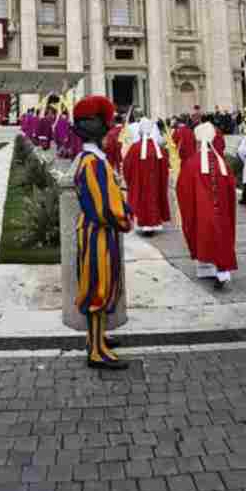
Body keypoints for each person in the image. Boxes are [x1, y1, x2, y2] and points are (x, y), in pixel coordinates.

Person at [71, 95, 132, 370]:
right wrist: (125, 217)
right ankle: (96, 350)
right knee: (98, 287)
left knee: (103, 284)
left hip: (97, 231)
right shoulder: (92, 162)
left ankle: (97, 338)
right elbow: (103, 206)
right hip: (98, 233)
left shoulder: (92, 158)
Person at [176, 121, 237, 288]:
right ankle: (220, 271)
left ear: (197, 141)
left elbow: (182, 189)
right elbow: (231, 187)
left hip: (202, 214)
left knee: (205, 236)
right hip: (222, 212)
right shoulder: (222, 163)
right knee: (221, 236)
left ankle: (210, 268)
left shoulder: (191, 163)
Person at [122, 118, 170, 233]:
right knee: (154, 197)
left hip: (141, 183)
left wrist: (131, 180)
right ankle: (154, 223)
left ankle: (144, 224)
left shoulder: (135, 148)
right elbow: (165, 167)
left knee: (143, 199)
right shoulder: (158, 149)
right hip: (155, 184)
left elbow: (126, 166)